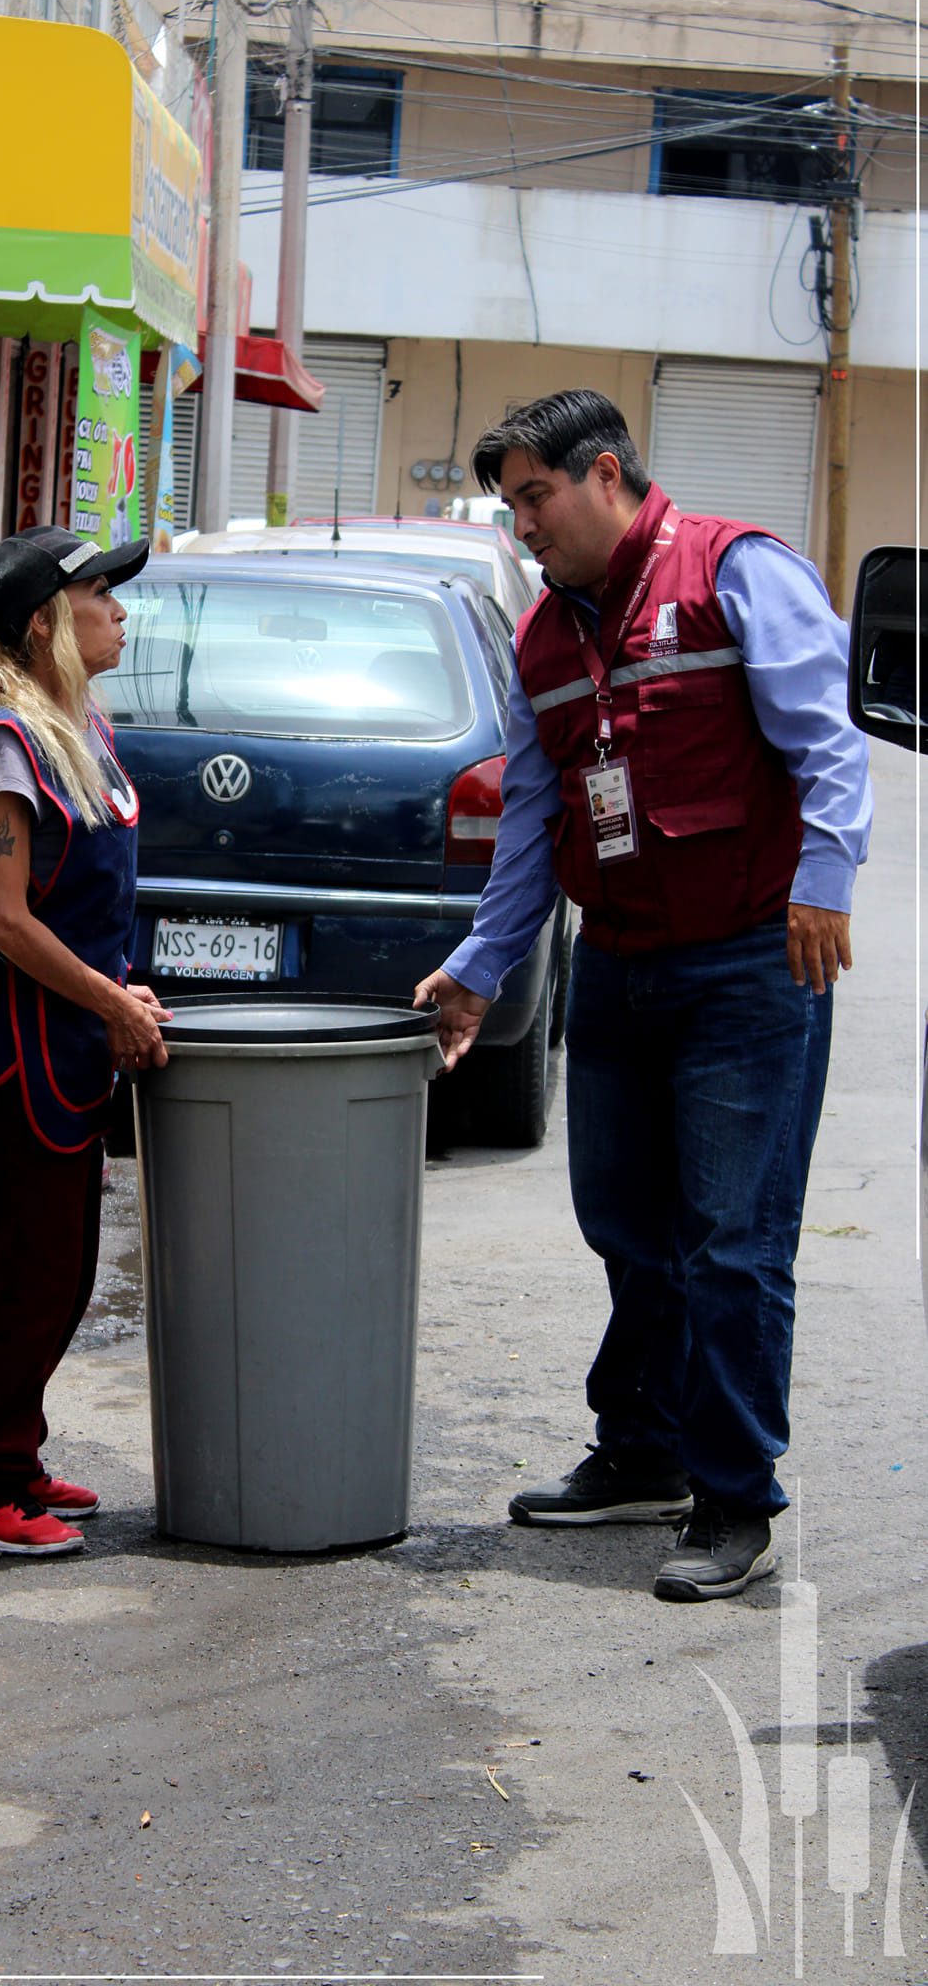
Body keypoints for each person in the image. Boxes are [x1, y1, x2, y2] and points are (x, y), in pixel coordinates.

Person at [415, 390, 872, 1602]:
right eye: (509, 504)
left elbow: (828, 742)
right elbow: (530, 821)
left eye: (533, 497)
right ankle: (645, 1451)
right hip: (617, 964)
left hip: (746, 967)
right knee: (626, 1224)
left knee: (733, 1241)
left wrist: (825, 877)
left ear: (603, 472)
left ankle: (734, 1496)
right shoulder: (545, 642)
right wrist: (481, 966)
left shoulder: (736, 574)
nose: (521, 527)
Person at [0, 525, 170, 1558]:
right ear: (44, 623)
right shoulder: (5, 741)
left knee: (61, 1267)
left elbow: (82, 907)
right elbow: (8, 919)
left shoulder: (82, 727)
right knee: (13, 1273)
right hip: (21, 1056)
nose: (119, 610)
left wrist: (122, 989)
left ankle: (15, 1452)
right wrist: (110, 1002)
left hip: (72, 1053)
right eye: (100, 596)